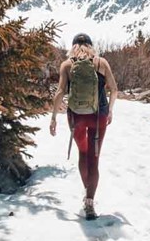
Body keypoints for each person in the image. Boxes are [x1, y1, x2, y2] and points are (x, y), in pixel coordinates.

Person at [50, 33, 118, 220]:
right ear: (90, 45)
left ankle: (86, 191)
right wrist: (110, 109)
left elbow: (60, 92)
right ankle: (90, 200)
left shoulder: (67, 65)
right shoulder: (101, 63)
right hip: (99, 116)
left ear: (73, 46)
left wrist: (54, 118)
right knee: (94, 158)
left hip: (76, 117)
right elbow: (114, 89)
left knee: (83, 154)